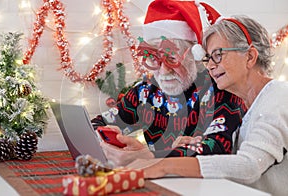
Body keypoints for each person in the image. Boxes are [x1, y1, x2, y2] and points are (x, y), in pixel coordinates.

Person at [128, 15, 288, 196]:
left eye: (218, 55)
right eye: (208, 58)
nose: (211, 66)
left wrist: (164, 165)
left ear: (250, 57)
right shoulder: (246, 105)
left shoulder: (279, 97)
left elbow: (249, 165)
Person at [92, 0, 246, 166]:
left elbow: (218, 147)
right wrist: (109, 138)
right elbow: (98, 123)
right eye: (154, 58)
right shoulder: (145, 91)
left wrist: (151, 156)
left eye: (172, 58)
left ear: (195, 56)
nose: (164, 71)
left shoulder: (222, 88)